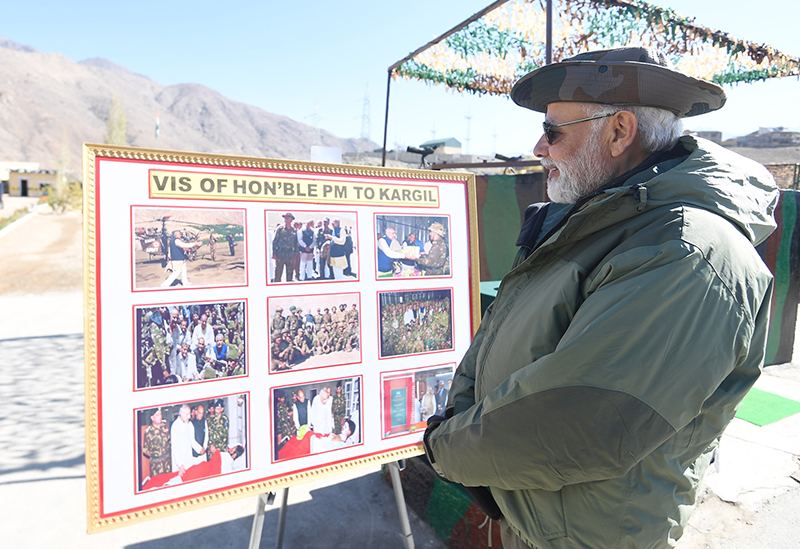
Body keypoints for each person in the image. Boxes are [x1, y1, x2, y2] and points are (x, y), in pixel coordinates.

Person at [422, 47, 778, 549]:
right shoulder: (602, 221)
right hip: (539, 513)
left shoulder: (687, 250)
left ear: (619, 132)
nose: (539, 149)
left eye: (554, 132)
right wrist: (461, 427)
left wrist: (445, 449)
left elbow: (580, 417)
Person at [171, 404, 203, 475]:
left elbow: (192, 441)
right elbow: (175, 448)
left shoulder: (189, 424)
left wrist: (200, 449)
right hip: (179, 463)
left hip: (188, 459)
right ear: (182, 414)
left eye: (190, 414)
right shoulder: (175, 426)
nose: (189, 417)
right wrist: (180, 464)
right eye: (187, 414)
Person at [142, 408, 171, 477]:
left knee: (169, 480)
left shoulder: (164, 425)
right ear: (152, 418)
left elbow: (169, 440)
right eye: (157, 415)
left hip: (167, 462)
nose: (160, 416)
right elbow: (145, 450)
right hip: (156, 466)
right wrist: (156, 456)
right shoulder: (148, 432)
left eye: (160, 414)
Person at [272, 213, 297, 282]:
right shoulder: (280, 229)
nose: (286, 219)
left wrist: (295, 254)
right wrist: (274, 253)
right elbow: (275, 241)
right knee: (278, 273)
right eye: (285, 218)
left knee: (290, 274)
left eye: (288, 218)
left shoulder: (294, 230)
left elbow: (296, 243)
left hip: (290, 254)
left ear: (291, 220)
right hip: (280, 253)